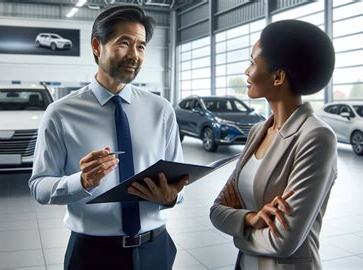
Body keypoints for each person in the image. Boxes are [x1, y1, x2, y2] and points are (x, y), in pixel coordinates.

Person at [29, 5, 188, 270]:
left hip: (156, 249)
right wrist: (81, 181)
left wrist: (171, 196)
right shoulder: (61, 113)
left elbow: (179, 182)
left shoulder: (161, 110)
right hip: (92, 254)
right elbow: (39, 187)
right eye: (124, 43)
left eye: (141, 46)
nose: (134, 55)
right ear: (96, 45)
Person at [209, 20, 337, 270]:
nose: (247, 71)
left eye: (253, 62)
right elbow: (216, 210)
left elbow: (283, 241)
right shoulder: (258, 131)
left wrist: (238, 232)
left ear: (278, 77)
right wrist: (250, 218)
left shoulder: (316, 137)